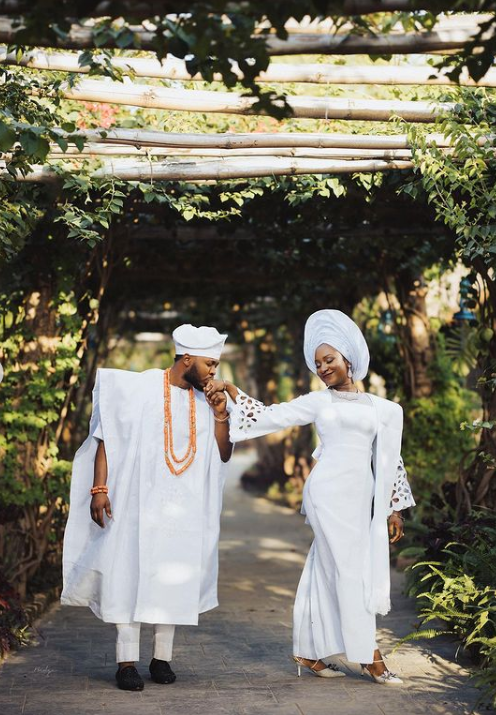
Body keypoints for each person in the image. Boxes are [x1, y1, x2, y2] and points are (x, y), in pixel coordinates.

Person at [206, 309, 415, 685]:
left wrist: (394, 508)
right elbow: (271, 416)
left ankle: (308, 651)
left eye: (329, 359)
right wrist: (232, 390)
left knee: (325, 568)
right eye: (318, 363)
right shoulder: (320, 402)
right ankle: (369, 655)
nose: (323, 368)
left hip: (359, 497)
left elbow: (390, 458)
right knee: (350, 570)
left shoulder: (381, 409)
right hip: (327, 494)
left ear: (348, 357)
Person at [61, 324, 232, 691]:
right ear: (187, 359)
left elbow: (223, 453)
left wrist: (221, 414)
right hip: (136, 502)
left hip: (183, 508)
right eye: (210, 364)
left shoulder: (208, 401)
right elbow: (107, 437)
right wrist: (100, 488)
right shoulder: (138, 388)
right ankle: (126, 663)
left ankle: (161, 659)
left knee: (172, 577)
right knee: (128, 574)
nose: (214, 372)